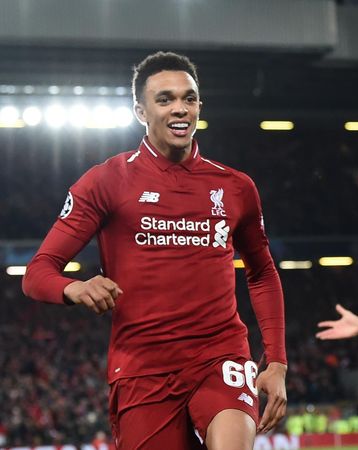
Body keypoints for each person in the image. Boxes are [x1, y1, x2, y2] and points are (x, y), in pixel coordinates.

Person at [22, 52, 287, 450]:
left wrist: (277, 361)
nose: (180, 108)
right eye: (164, 99)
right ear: (140, 111)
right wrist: (73, 289)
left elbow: (262, 272)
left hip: (220, 355)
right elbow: (38, 271)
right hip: (141, 369)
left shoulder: (236, 187)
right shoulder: (106, 181)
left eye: (189, 98)